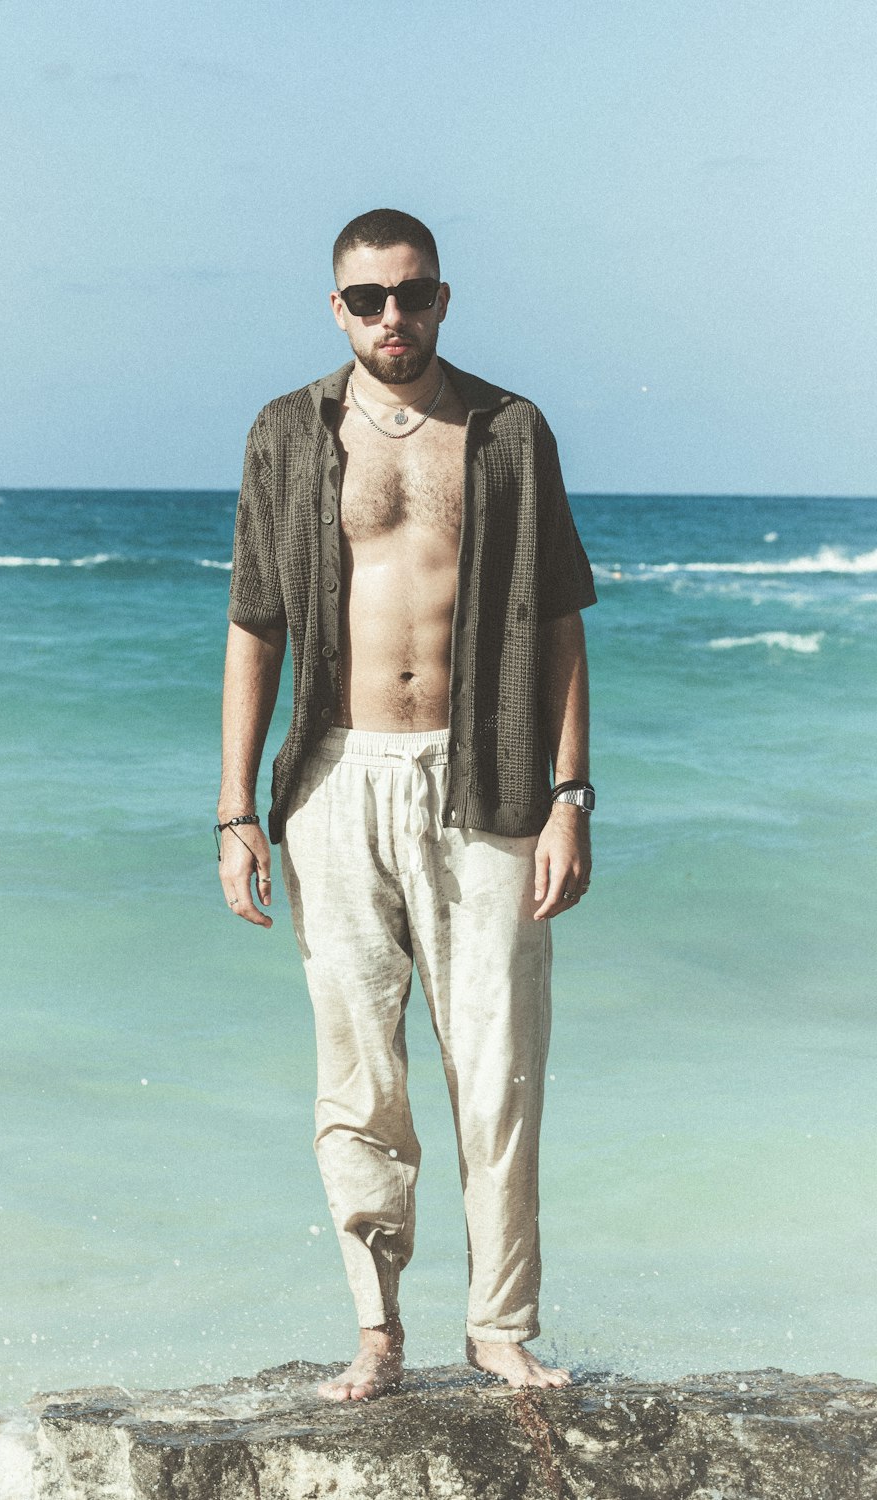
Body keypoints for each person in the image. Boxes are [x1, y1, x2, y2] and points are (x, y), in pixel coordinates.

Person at [217, 208, 597, 1401]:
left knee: (497, 1069)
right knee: (356, 1072)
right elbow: (254, 626)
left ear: (444, 299)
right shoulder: (286, 433)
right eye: (369, 298)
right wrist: (236, 811)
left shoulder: (506, 431)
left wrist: (571, 796)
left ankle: (498, 1327)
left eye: (413, 295)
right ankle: (377, 1332)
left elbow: (560, 622)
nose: (393, 317)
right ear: (337, 308)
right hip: (333, 779)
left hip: (483, 779)